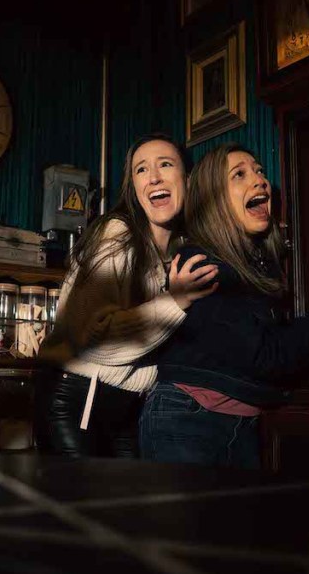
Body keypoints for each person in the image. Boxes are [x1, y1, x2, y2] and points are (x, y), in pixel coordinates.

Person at [139, 143, 309, 469]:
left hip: (233, 423)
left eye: (259, 171)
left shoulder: (253, 266)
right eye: (240, 174)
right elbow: (267, 355)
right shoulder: (200, 263)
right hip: (189, 423)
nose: (260, 180)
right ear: (213, 200)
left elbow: (282, 343)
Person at [35, 134, 218, 457]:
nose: (154, 177)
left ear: (187, 180)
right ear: (133, 187)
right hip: (77, 401)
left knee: (126, 506)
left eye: (165, 164)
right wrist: (176, 302)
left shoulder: (180, 249)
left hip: (130, 407)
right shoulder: (118, 233)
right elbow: (94, 336)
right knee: (81, 506)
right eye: (141, 170)